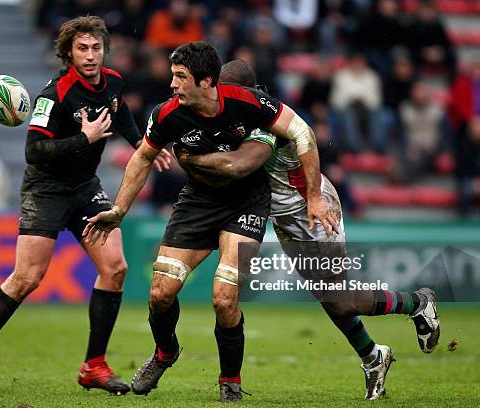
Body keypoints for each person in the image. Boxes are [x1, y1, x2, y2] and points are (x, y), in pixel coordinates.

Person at [83, 42, 337, 402]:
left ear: (206, 82)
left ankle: (229, 381)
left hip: (247, 202)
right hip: (198, 202)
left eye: (180, 77)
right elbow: (142, 159)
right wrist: (119, 210)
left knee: (224, 297)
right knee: (160, 293)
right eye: (172, 75)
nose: (172, 85)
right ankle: (165, 352)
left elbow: (302, 134)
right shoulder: (167, 113)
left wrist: (313, 196)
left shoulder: (247, 103)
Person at [177, 59, 441, 400]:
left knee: (340, 298)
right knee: (330, 299)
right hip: (285, 217)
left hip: (311, 212)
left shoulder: (264, 122)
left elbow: (249, 160)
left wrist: (190, 158)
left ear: (242, 92)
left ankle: (417, 303)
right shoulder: (239, 116)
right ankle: (373, 357)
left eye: (226, 93)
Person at [0, 16, 171, 396]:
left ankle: (94, 366)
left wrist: (142, 145)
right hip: (46, 190)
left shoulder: (114, 82)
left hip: (85, 189)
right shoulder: (54, 95)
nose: (90, 56)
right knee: (27, 278)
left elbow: (121, 114)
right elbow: (34, 152)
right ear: (68, 52)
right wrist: (84, 139)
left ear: (105, 49)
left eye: (96, 48)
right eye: (82, 48)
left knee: (115, 267)